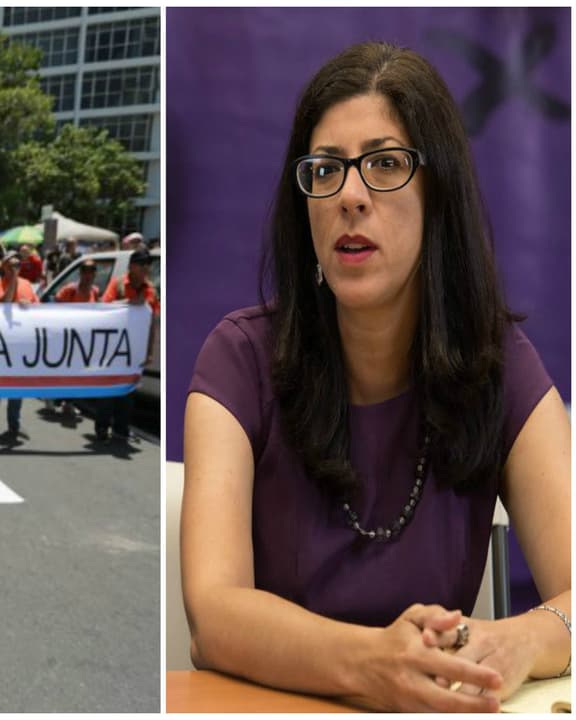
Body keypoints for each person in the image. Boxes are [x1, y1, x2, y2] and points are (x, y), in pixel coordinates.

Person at [181, 42, 570, 713]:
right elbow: (212, 618)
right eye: (325, 169)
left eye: (385, 164)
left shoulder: (498, 365)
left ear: (437, 193)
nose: (350, 196)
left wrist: (521, 641)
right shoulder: (239, 359)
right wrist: (373, 664)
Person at [93, 248, 156, 442]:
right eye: (142, 264)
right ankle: (102, 427)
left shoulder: (150, 290)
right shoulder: (118, 284)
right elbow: (105, 307)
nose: (146, 268)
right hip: (114, 349)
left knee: (128, 393)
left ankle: (121, 429)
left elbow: (152, 322)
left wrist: (149, 351)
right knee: (108, 390)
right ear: (132, 266)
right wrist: (130, 302)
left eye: (148, 264)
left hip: (133, 351)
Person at [0, 252, 38, 439]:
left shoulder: (27, 284)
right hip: (1, 342)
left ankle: (14, 424)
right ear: (4, 267)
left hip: (21, 341)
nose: (16, 267)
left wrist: (30, 304)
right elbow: (5, 301)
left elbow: (38, 307)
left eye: (18, 264)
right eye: (12, 264)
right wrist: (13, 279)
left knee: (17, 385)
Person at [53, 258, 101, 419]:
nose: (88, 275)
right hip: (67, 338)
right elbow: (55, 307)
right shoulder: (69, 290)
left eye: (92, 271)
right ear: (80, 273)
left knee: (77, 374)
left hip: (84, 340)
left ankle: (68, 402)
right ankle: (60, 399)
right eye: (85, 271)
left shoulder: (95, 291)